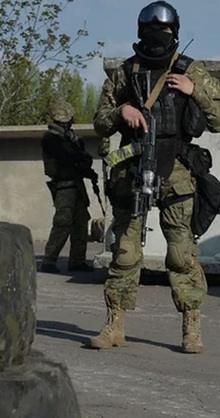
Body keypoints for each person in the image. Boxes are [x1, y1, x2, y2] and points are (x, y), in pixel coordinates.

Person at [90, 1, 220, 353]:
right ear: (139, 31)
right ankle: (114, 325)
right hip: (134, 166)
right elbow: (100, 120)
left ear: (174, 32)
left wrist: (196, 92)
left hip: (177, 170)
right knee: (126, 252)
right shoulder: (126, 72)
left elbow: (219, 119)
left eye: (163, 31)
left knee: (181, 253)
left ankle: (191, 330)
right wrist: (122, 110)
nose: (157, 36)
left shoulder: (191, 70)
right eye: (151, 30)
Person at [40, 100, 97, 274]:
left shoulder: (73, 138)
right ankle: (49, 260)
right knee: (62, 222)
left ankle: (77, 261)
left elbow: (83, 158)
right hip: (64, 186)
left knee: (81, 222)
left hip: (76, 184)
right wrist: (80, 160)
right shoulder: (51, 138)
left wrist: (87, 169)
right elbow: (68, 156)